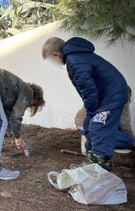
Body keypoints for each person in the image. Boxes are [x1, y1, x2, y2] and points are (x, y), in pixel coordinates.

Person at [42, 37, 129, 171]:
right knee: (88, 124)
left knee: (98, 126)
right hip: (106, 95)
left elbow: (87, 88)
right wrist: (91, 111)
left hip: (113, 94)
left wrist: (93, 110)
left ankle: (101, 167)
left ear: (56, 54)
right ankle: (91, 161)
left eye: (51, 60)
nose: (54, 62)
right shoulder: (76, 56)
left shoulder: (74, 60)